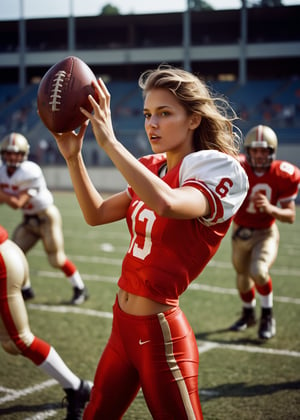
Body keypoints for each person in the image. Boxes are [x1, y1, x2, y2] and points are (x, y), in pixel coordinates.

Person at [50, 65, 248, 419]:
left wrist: (109, 141)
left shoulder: (219, 169)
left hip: (160, 336)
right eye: (147, 114)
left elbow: (168, 203)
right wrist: (72, 156)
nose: (151, 124)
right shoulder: (151, 166)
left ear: (193, 120)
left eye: (164, 113)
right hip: (121, 326)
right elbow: (95, 213)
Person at [0, 224, 92, 419]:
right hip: (10, 249)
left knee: (19, 340)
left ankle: (76, 388)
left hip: (3, 260)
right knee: (10, 344)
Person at [0, 132, 88, 305]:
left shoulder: (29, 171)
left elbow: (17, 202)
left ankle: (80, 288)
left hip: (46, 217)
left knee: (56, 259)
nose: (12, 157)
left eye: (16, 153)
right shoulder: (2, 171)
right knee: (14, 255)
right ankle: (26, 289)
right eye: (8, 153)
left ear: (23, 154)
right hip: (29, 219)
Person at [229, 124, 300, 339]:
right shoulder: (237, 167)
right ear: (248, 151)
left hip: (266, 232)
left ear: (272, 152)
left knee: (258, 271)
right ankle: (248, 314)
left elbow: (290, 216)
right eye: (255, 150)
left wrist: (270, 208)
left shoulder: (284, 174)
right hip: (240, 231)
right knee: (242, 277)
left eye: (264, 151)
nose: (259, 155)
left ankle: (267, 316)